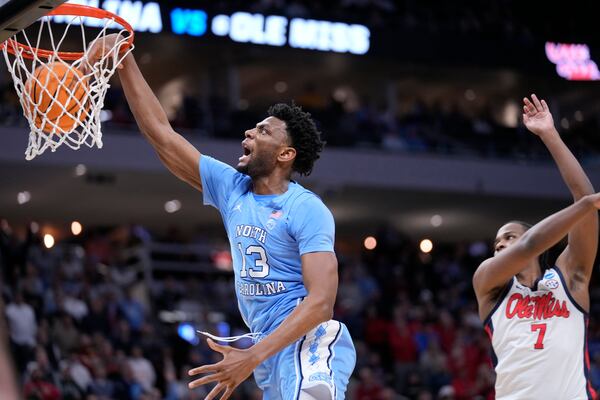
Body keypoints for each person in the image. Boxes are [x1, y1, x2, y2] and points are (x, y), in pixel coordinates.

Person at [87, 35, 356, 400]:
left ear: (285, 154)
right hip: (269, 348)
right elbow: (162, 136)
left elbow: (322, 302)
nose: (249, 132)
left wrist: (250, 356)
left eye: (263, 131)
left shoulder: (305, 207)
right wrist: (125, 61)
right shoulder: (232, 189)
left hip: (308, 340)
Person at [473, 95, 599, 399]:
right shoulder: (488, 283)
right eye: (497, 242)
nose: (501, 243)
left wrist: (550, 135)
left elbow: (583, 196)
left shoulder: (570, 279)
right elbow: (532, 242)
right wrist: (588, 203)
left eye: (509, 237)